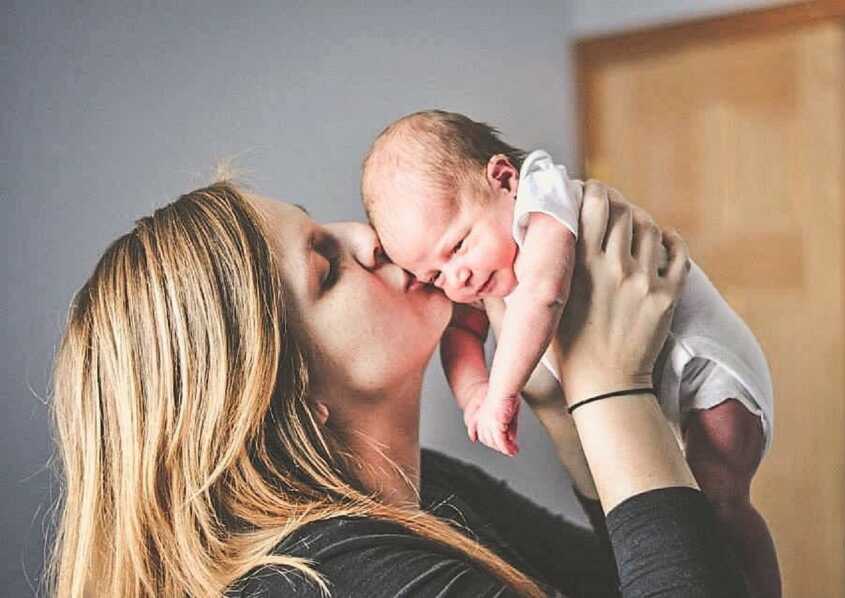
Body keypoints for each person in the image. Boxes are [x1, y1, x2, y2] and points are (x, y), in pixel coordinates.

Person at [48, 177, 749, 597]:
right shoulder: (326, 581)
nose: (367, 236)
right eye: (326, 266)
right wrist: (611, 390)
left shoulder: (426, 495)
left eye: (326, 226)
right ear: (279, 393)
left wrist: (566, 411)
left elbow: (639, 582)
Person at [361, 110, 780, 597]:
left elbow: (545, 293)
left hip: (706, 373)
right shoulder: (479, 266)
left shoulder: (542, 201)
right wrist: (472, 392)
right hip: (646, 390)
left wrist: (500, 392)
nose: (458, 280)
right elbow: (462, 332)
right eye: (434, 276)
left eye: (457, 247)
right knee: (697, 512)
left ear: (503, 178)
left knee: (722, 499)